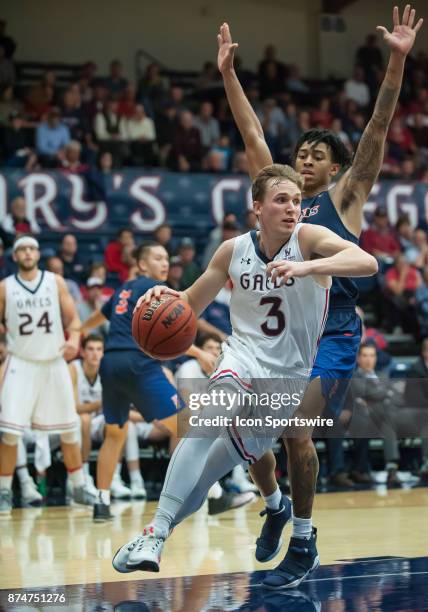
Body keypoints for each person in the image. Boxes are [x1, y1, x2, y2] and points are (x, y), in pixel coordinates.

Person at [217, 7, 422, 588]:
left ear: (334, 168)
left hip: (330, 330)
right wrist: (229, 74)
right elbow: (252, 132)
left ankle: (303, 537)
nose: (305, 157)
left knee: (296, 426)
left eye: (316, 154)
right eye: (301, 150)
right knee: (248, 425)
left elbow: (378, 130)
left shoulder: (347, 196)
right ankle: (276, 501)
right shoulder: (278, 192)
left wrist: (397, 63)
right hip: (274, 329)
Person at [112, 164, 377, 576]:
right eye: (281, 200)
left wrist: (308, 268)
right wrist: (166, 296)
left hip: (285, 381)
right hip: (242, 356)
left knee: (206, 477)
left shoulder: (309, 240)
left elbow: (367, 262)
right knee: (203, 424)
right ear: (258, 207)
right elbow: (189, 304)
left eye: (296, 201)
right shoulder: (232, 250)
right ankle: (155, 535)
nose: (292, 208)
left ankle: (161, 531)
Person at [80, 241, 218, 522]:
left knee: (115, 434)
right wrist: (199, 351)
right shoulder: (152, 290)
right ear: (142, 264)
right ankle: (214, 495)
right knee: (187, 424)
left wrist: (76, 330)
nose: (165, 263)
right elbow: (163, 336)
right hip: (137, 362)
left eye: (167, 258)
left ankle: (102, 502)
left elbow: (101, 315)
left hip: (111, 363)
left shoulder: (124, 289)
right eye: (157, 258)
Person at [0, 235, 94, 513]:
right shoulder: (5, 288)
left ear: (38, 254)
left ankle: (77, 486)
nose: (28, 253)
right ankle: (4, 491)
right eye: (22, 250)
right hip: (21, 362)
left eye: (32, 248)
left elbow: (73, 319)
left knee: (69, 427)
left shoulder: (55, 282)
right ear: (15, 256)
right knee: (10, 432)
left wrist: (75, 339)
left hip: (53, 361)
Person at [69, 334, 105, 499]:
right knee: (84, 419)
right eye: (90, 349)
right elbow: (73, 408)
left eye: (99, 349)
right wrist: (98, 404)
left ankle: (119, 479)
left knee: (121, 423)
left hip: (98, 421)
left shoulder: (107, 369)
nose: (95, 354)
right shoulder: (74, 369)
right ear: (82, 352)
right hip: (73, 421)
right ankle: (83, 475)